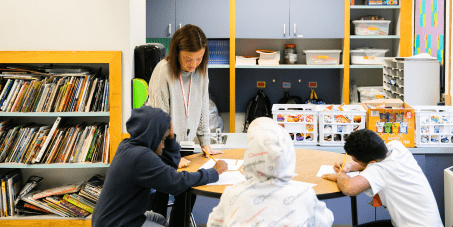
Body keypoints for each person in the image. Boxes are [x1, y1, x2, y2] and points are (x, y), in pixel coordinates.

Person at [91, 106, 228, 227]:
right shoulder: (141, 157)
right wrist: (213, 172)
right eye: (162, 139)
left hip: (115, 218)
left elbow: (169, 165)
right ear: (152, 135)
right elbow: (176, 182)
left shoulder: (130, 146)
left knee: (160, 220)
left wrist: (171, 138)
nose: (163, 145)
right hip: (118, 223)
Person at [147, 24, 224, 225]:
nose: (193, 64)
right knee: (161, 197)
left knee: (187, 192)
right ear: (176, 52)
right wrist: (169, 153)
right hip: (161, 147)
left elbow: (202, 108)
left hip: (186, 145)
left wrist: (205, 142)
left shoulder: (201, 72)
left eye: (199, 59)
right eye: (188, 59)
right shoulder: (163, 71)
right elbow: (158, 117)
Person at [206, 117, 334, 227]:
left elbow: (213, 223)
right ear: (289, 155)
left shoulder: (232, 194)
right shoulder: (305, 195)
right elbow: (326, 221)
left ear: (250, 155)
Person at [322, 129, 443, 227]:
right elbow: (375, 162)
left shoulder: (380, 170)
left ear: (372, 162)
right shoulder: (396, 147)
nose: (352, 161)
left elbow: (349, 188)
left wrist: (340, 175)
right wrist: (351, 166)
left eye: (354, 159)